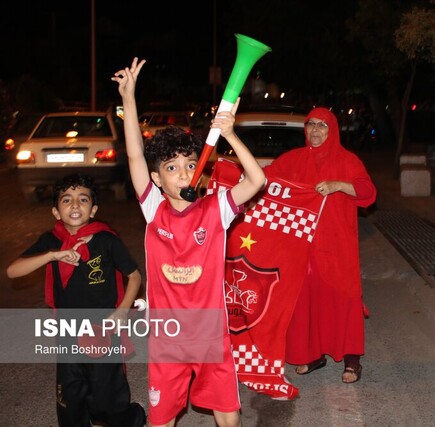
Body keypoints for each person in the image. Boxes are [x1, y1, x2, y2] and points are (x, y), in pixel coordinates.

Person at [113, 57, 265, 427]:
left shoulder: (217, 208)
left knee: (228, 416)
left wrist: (230, 134)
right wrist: (129, 99)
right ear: (157, 179)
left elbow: (257, 180)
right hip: (167, 340)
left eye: (189, 164)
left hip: (210, 335)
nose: (182, 172)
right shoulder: (153, 208)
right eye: (171, 167)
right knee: (161, 419)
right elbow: (135, 152)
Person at [6, 173, 146, 427]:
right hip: (67, 331)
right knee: (70, 402)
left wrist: (122, 311)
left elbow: (134, 276)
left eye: (82, 199)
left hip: (103, 329)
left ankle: (134, 416)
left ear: (93, 209)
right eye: (67, 200)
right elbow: (13, 271)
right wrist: (52, 256)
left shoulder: (106, 239)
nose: (74, 205)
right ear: (56, 212)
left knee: (106, 402)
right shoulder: (51, 241)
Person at [264, 107, 377, 384]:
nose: (315, 131)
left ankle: (352, 360)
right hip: (301, 247)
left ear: (332, 130)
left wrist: (339, 185)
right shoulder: (293, 159)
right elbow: (265, 178)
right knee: (306, 300)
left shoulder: (347, 160)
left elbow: (368, 192)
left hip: (338, 246)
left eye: (322, 126)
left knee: (344, 297)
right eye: (311, 125)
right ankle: (313, 355)